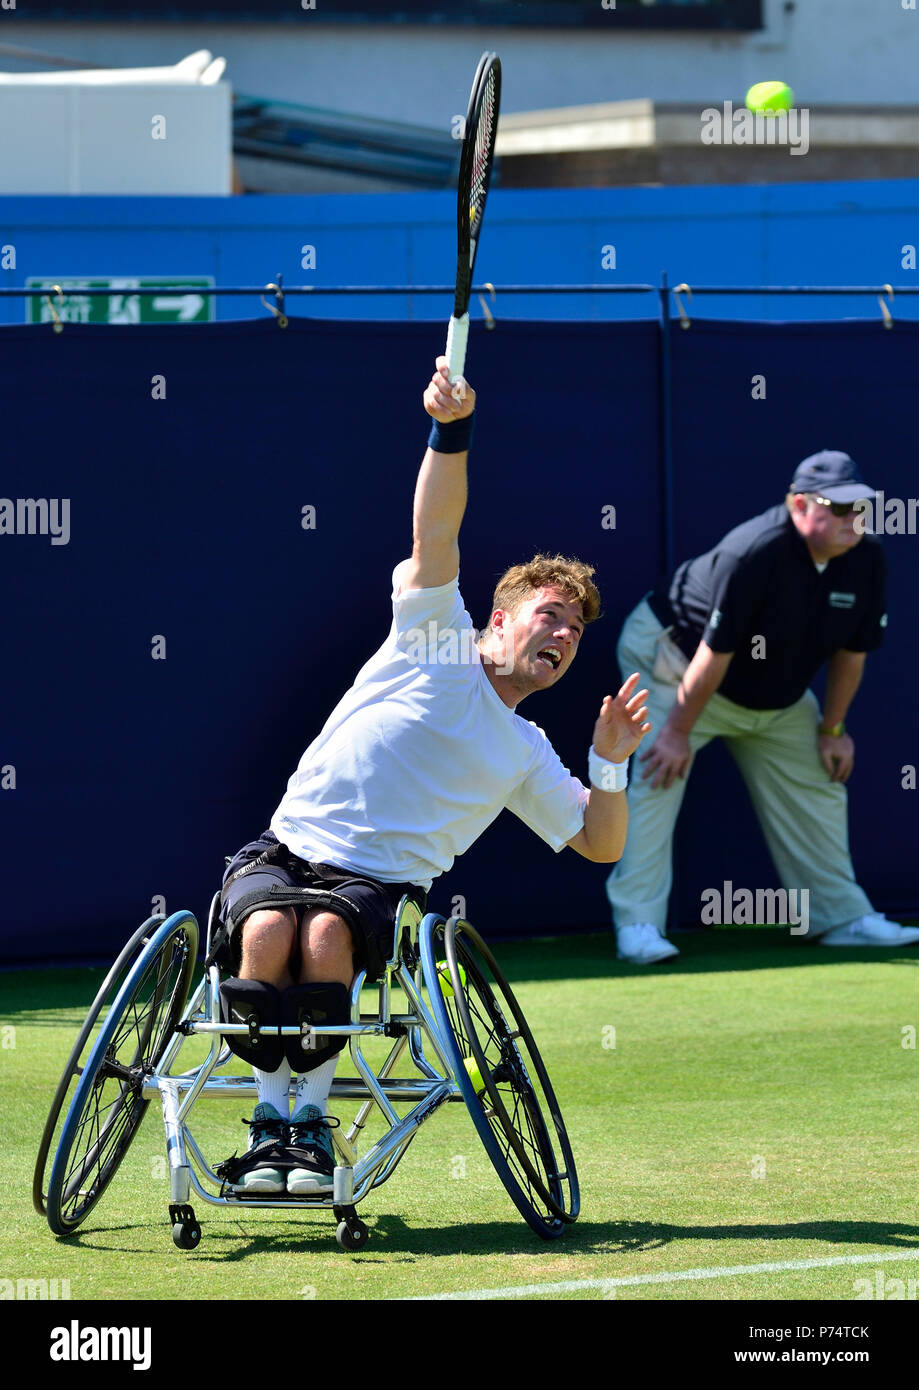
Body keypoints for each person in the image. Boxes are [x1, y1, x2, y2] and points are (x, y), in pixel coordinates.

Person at [216, 357, 652, 1193]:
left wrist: (608, 761)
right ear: (501, 617)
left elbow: (600, 844)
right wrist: (450, 430)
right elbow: (435, 532)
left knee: (322, 938)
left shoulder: (525, 752)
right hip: (284, 849)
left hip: (372, 887)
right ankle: (274, 1118)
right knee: (268, 931)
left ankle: (300, 1131)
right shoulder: (434, 637)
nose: (561, 634)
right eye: (548, 614)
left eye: (574, 629)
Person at [607, 449, 919, 965]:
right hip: (675, 664)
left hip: (773, 697)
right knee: (656, 774)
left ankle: (842, 918)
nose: (852, 520)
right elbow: (714, 655)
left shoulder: (868, 560)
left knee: (820, 780)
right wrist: (676, 732)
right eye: (839, 509)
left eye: (859, 509)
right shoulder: (752, 552)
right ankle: (637, 925)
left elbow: (851, 655)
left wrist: (832, 727)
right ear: (800, 505)